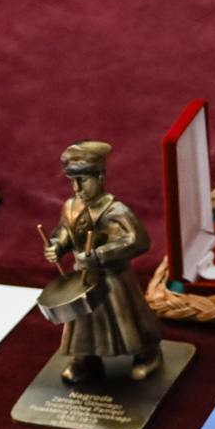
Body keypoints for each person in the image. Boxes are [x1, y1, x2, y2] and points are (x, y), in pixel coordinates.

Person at [43, 141, 164, 383]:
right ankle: (85, 359)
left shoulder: (116, 211)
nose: (77, 188)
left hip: (113, 279)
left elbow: (137, 241)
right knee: (84, 321)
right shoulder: (71, 207)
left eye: (83, 180)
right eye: (72, 181)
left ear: (100, 177)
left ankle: (147, 354)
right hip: (84, 278)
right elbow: (65, 230)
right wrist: (57, 245)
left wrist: (99, 255)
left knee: (127, 319)